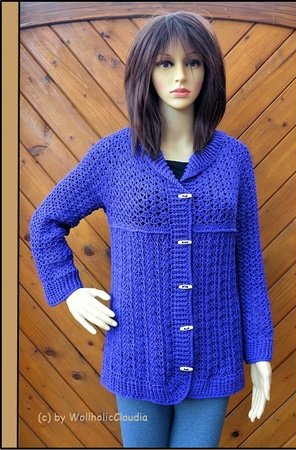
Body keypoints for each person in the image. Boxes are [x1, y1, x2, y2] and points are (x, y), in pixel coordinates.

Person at [29, 11, 273, 448]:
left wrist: (259, 350)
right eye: (165, 63)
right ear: (146, 72)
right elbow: (45, 221)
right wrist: (70, 290)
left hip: (214, 354)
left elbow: (248, 264)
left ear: (208, 72)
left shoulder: (234, 159)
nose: (181, 75)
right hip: (137, 354)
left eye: (193, 62)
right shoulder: (114, 156)